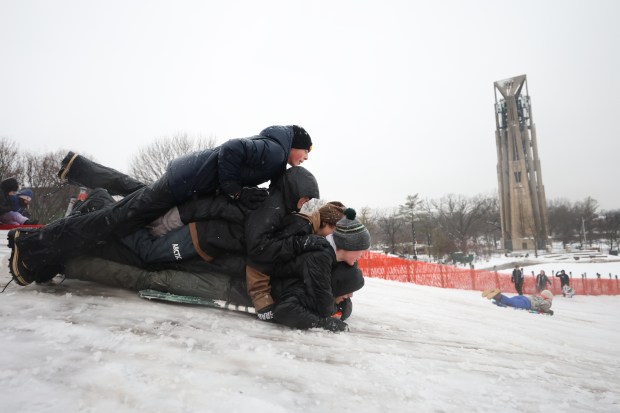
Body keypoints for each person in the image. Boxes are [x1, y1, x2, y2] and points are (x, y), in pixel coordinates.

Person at [8, 125, 314, 286]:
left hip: (184, 185)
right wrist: (234, 191)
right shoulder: (276, 150)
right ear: (297, 144)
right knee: (112, 221)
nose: (306, 158)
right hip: (181, 185)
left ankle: (43, 252)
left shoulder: (274, 155)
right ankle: (33, 245)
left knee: (117, 220)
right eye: (307, 152)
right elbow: (232, 148)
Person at [482, 288, 554, 315]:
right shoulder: (548, 301)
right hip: (528, 304)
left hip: (523, 297)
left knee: (511, 301)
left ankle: (497, 298)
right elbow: (543, 306)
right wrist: (548, 311)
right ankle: (497, 296)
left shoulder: (539, 297)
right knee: (512, 303)